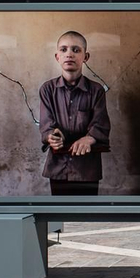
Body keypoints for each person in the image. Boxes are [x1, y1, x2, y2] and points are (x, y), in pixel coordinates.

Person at [38, 30, 111, 196]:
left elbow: (100, 123)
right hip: (58, 167)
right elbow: (46, 124)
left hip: (87, 169)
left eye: (76, 50)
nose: (69, 54)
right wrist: (52, 136)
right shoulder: (47, 89)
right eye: (63, 50)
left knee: (87, 210)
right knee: (60, 210)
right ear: (57, 56)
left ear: (86, 57)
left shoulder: (96, 90)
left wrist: (89, 138)